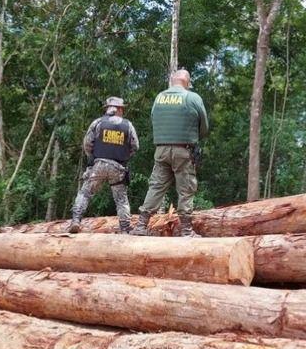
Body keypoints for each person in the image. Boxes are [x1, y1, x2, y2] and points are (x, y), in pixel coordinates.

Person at [130, 70, 209, 237]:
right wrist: (194, 138)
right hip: (183, 149)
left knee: (156, 186)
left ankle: (141, 226)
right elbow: (204, 127)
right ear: (186, 82)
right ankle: (186, 230)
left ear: (173, 81)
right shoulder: (193, 98)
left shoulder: (159, 97)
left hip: (161, 149)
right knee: (186, 188)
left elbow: (153, 119)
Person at [67, 97, 139, 234]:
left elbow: (87, 144)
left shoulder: (98, 122)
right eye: (122, 109)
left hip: (99, 164)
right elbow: (135, 146)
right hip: (118, 167)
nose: (122, 111)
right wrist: (123, 157)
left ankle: (76, 220)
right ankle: (125, 228)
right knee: (121, 198)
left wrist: (93, 158)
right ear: (119, 109)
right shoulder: (128, 125)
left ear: (108, 108)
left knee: (85, 193)